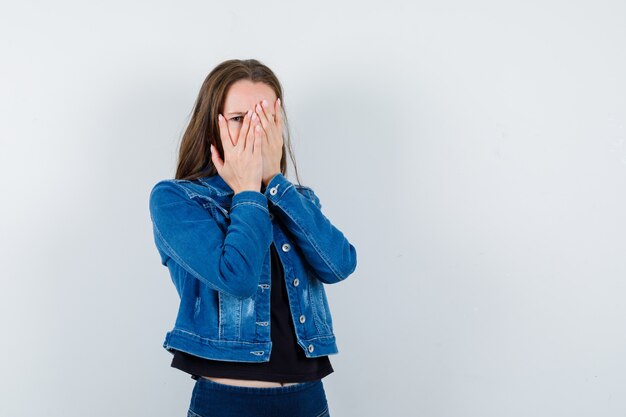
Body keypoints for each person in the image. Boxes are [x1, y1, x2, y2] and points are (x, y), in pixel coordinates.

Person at [148, 58, 357, 417]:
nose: (253, 132)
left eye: (265, 119)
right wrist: (247, 190)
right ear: (212, 127)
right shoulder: (177, 199)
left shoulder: (296, 199)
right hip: (227, 404)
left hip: (307, 401)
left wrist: (275, 181)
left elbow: (340, 265)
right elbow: (238, 277)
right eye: (239, 119)